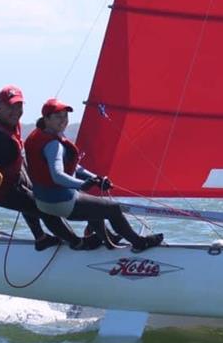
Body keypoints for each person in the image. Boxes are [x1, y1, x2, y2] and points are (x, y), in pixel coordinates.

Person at [24, 98, 163, 252]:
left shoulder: (39, 135)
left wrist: (96, 179)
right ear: (46, 119)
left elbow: (73, 167)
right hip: (60, 202)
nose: (63, 120)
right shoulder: (53, 144)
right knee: (113, 208)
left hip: (43, 202)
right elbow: (57, 175)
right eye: (58, 116)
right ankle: (138, 243)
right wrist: (81, 184)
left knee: (93, 204)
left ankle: (109, 241)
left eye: (65, 116)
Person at [0, 85, 96, 251]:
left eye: (19, 106)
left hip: (15, 173)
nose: (16, 111)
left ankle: (41, 238)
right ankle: (77, 243)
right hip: (1, 189)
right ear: (1, 106)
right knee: (43, 207)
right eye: (10, 107)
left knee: (33, 196)